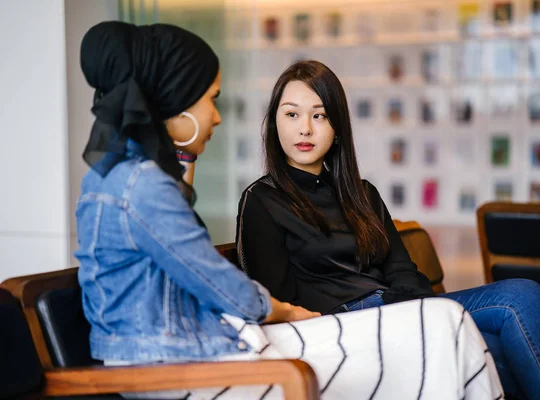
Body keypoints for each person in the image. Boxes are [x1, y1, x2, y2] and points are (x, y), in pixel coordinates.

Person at [74, 21, 502, 400]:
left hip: (185, 351)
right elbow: (226, 289)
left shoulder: (117, 175)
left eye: (319, 116)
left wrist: (183, 154)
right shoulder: (144, 186)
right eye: (211, 99)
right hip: (176, 365)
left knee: (443, 327)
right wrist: (287, 312)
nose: (218, 117)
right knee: (442, 326)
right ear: (177, 103)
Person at [237, 60, 540, 400]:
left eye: (320, 115)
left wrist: (405, 306)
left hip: (401, 310)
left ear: (338, 126)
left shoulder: (361, 192)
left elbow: (401, 269)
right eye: (292, 114)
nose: (305, 129)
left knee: (524, 294)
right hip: (345, 328)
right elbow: (277, 300)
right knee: (492, 350)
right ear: (274, 124)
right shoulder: (262, 201)